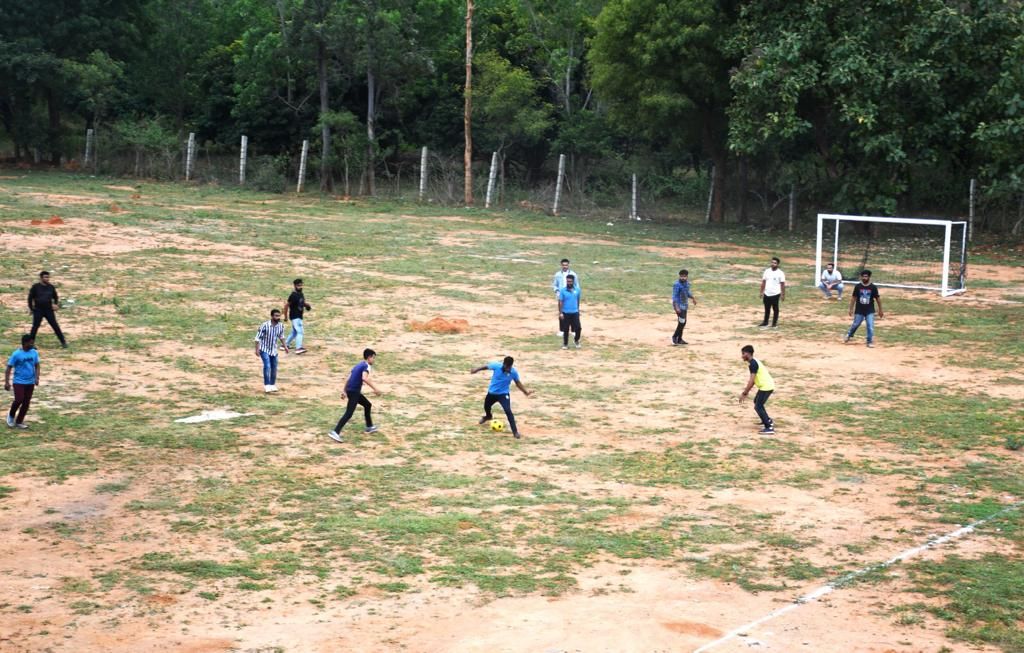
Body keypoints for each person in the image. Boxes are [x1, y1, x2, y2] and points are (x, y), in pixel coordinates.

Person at [470, 356, 532, 439]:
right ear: (504, 364)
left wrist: (525, 392)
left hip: (503, 394)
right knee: (486, 406)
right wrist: (476, 370)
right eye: (507, 367)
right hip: (492, 393)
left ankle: (515, 432)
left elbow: (517, 383)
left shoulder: (513, 372)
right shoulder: (496, 366)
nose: (508, 369)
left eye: (509, 367)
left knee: (508, 411)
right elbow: (486, 366)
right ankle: (488, 416)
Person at [328, 348, 382, 442]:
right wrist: (375, 389)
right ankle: (335, 432)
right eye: (373, 358)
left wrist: (344, 390)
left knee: (367, 405)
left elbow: (348, 378)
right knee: (349, 413)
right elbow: (364, 378)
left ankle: (369, 426)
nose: (374, 360)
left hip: (350, 390)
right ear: (369, 357)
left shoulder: (358, 365)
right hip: (354, 392)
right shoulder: (366, 366)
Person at [5, 334, 40, 429]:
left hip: (30, 382)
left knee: (26, 402)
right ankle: (11, 416)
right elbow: (9, 368)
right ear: (25, 343)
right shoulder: (16, 354)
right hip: (19, 382)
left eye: (33, 342)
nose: (33, 344)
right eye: (31, 342)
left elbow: (37, 365)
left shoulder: (34, 352)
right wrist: (7, 382)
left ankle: (19, 421)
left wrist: (37, 377)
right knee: (19, 400)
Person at [739, 344, 775, 435]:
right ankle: (767, 420)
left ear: (747, 354)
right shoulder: (754, 362)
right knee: (757, 402)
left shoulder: (753, 364)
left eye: (743, 353)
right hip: (766, 386)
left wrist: (745, 392)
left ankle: (769, 427)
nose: (742, 356)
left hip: (766, 387)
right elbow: (754, 380)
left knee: (758, 406)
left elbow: (751, 380)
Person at [845, 269, 884, 348]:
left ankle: (869, 341)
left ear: (869, 277)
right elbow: (853, 298)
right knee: (856, 324)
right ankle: (849, 335)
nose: (864, 278)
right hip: (859, 310)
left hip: (869, 310)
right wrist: (851, 309)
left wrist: (880, 310)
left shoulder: (873, 287)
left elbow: (878, 299)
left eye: (866, 277)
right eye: (863, 277)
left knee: (870, 325)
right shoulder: (858, 286)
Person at [28, 271, 67, 348]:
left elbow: (55, 297)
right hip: (38, 310)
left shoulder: (51, 287)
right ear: (41, 278)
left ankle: (63, 342)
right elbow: (30, 298)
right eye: (45, 277)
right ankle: (31, 344)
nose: (47, 279)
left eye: (48, 277)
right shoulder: (35, 287)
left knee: (55, 326)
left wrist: (55, 304)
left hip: (49, 310)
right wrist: (31, 308)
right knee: (35, 327)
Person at [254, 309, 289, 393]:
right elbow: (257, 338)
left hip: (273, 350)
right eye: (276, 316)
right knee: (267, 366)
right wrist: (257, 349)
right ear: (272, 316)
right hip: (264, 349)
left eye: (279, 315)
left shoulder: (280, 326)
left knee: (274, 367)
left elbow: (281, 337)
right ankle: (267, 385)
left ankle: (272, 385)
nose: (278, 317)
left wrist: (285, 346)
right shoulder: (265, 325)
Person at [284, 278, 312, 354]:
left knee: (294, 332)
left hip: (299, 316)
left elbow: (301, 302)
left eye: (301, 285)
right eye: (298, 285)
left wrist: (307, 305)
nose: (300, 287)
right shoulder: (293, 295)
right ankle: (298, 348)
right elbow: (286, 306)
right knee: (300, 332)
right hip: (295, 316)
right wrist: (285, 317)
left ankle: (285, 345)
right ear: (295, 286)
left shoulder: (300, 294)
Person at [552, 258, 579, 337]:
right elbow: (554, 285)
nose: (565, 267)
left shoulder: (573, 274)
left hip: (571, 296)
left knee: (573, 313)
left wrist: (575, 294)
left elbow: (577, 285)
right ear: (561, 265)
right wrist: (557, 292)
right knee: (561, 313)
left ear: (568, 265)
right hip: (562, 296)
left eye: (566, 265)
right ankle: (562, 330)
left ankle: (573, 330)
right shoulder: (558, 275)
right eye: (563, 265)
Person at [671, 269, 698, 345]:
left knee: (683, 322)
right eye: (681, 276)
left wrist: (693, 298)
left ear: (687, 277)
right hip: (679, 306)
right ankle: (675, 337)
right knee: (682, 322)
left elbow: (687, 292)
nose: (683, 278)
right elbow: (674, 297)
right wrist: (676, 307)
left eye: (684, 276)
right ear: (679, 276)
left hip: (685, 306)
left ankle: (679, 339)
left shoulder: (687, 284)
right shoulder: (676, 284)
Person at [758, 257, 785, 328]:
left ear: (778, 264)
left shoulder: (780, 273)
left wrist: (782, 294)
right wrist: (761, 292)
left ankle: (774, 323)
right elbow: (763, 282)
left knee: (775, 309)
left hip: (775, 294)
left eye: (775, 263)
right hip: (767, 293)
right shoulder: (767, 271)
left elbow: (782, 284)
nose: (773, 264)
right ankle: (765, 322)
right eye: (772, 262)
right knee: (767, 308)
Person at [557, 274, 582, 349]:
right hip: (565, 313)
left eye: (570, 281)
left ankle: (576, 340)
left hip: (575, 312)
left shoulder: (577, 290)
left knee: (578, 328)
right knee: (566, 329)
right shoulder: (563, 290)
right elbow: (560, 302)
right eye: (568, 281)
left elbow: (578, 300)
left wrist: (578, 309)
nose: (569, 283)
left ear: (573, 281)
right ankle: (565, 344)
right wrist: (560, 313)